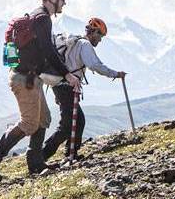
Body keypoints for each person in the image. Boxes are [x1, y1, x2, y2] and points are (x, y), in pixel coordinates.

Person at [0, 0, 71, 180]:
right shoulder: (42, 19)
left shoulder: (37, 16)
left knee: (43, 118)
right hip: (25, 79)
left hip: (28, 77)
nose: (64, 2)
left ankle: (36, 163)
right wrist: (66, 74)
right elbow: (49, 50)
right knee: (29, 123)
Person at [41, 17, 126, 164]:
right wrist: (115, 74)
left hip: (60, 85)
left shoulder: (75, 42)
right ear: (93, 32)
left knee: (77, 120)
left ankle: (70, 152)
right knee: (68, 124)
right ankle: (43, 156)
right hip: (67, 86)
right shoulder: (85, 45)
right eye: (100, 36)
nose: (100, 40)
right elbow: (95, 65)